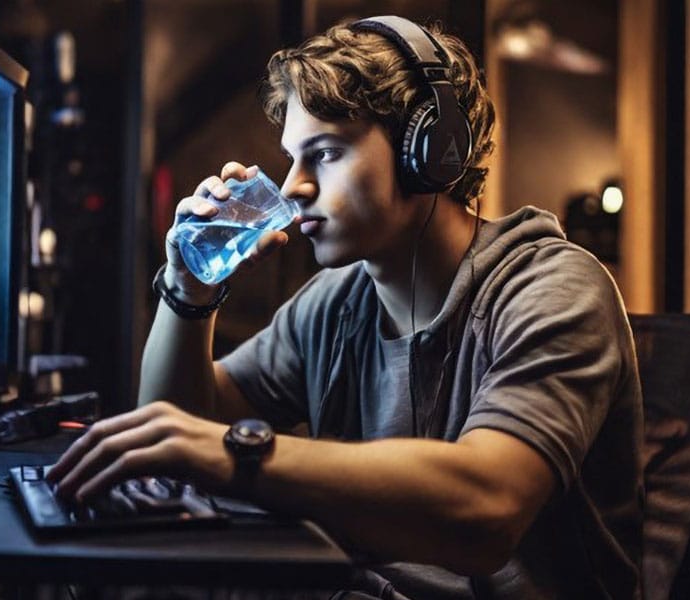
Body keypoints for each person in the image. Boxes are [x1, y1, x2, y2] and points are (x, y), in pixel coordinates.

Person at [47, 15, 643, 599]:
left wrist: (236, 455)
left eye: (325, 153)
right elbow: (175, 428)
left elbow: (486, 513)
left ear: (431, 152)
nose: (291, 188)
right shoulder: (339, 302)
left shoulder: (553, 288)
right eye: (291, 158)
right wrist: (188, 289)